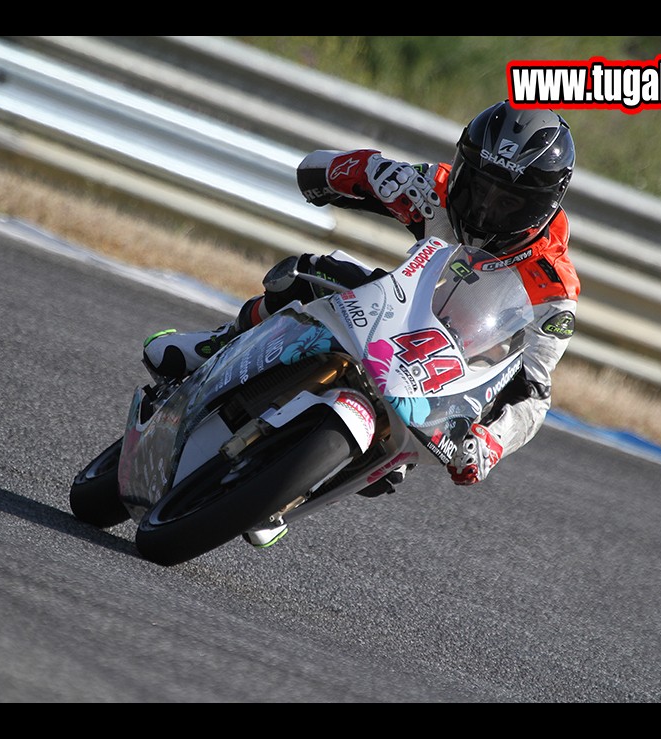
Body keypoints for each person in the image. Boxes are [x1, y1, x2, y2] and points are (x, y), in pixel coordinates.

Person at [143, 101, 579, 538]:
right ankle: (218, 345)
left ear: (545, 204)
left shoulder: (554, 287)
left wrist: (493, 443)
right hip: (391, 312)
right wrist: (369, 171)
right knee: (309, 271)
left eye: (510, 202)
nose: (485, 210)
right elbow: (311, 173)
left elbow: (535, 394)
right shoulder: (437, 187)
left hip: (444, 381)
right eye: (479, 188)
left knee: (387, 473)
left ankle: (288, 491)